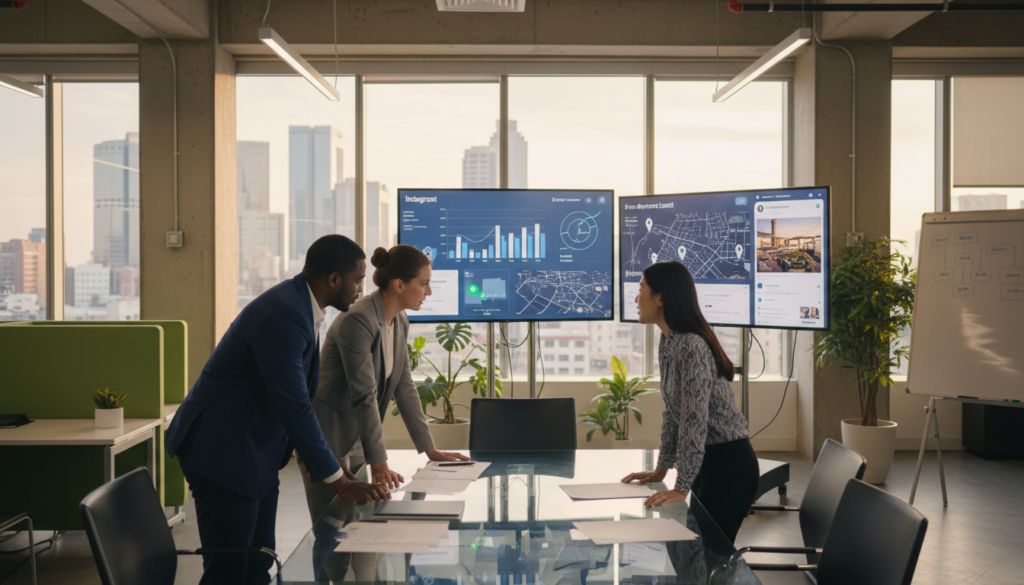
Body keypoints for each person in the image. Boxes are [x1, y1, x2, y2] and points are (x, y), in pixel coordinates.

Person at [165, 235, 390, 585]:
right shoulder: (285, 313)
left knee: (256, 562)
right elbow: (294, 404)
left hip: (255, 449)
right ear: (333, 279)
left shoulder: (301, 306)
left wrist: (331, 465)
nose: (362, 287)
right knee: (229, 569)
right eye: (358, 279)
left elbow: (297, 400)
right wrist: (335, 478)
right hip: (223, 451)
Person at [300, 244, 469, 523]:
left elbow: (405, 386)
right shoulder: (359, 320)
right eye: (424, 284)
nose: (429, 292)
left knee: (355, 527)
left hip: (357, 434)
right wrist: (379, 463)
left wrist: (430, 449)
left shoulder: (399, 320)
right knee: (331, 532)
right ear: (399, 284)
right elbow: (364, 394)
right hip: (328, 436)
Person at [621, 261, 759, 543]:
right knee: (689, 554)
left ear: (661, 297)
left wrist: (681, 485)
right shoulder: (668, 340)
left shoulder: (691, 345)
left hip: (729, 467)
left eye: (641, 289)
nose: (636, 299)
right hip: (705, 463)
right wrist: (662, 469)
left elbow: (693, 420)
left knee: (707, 555)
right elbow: (674, 413)